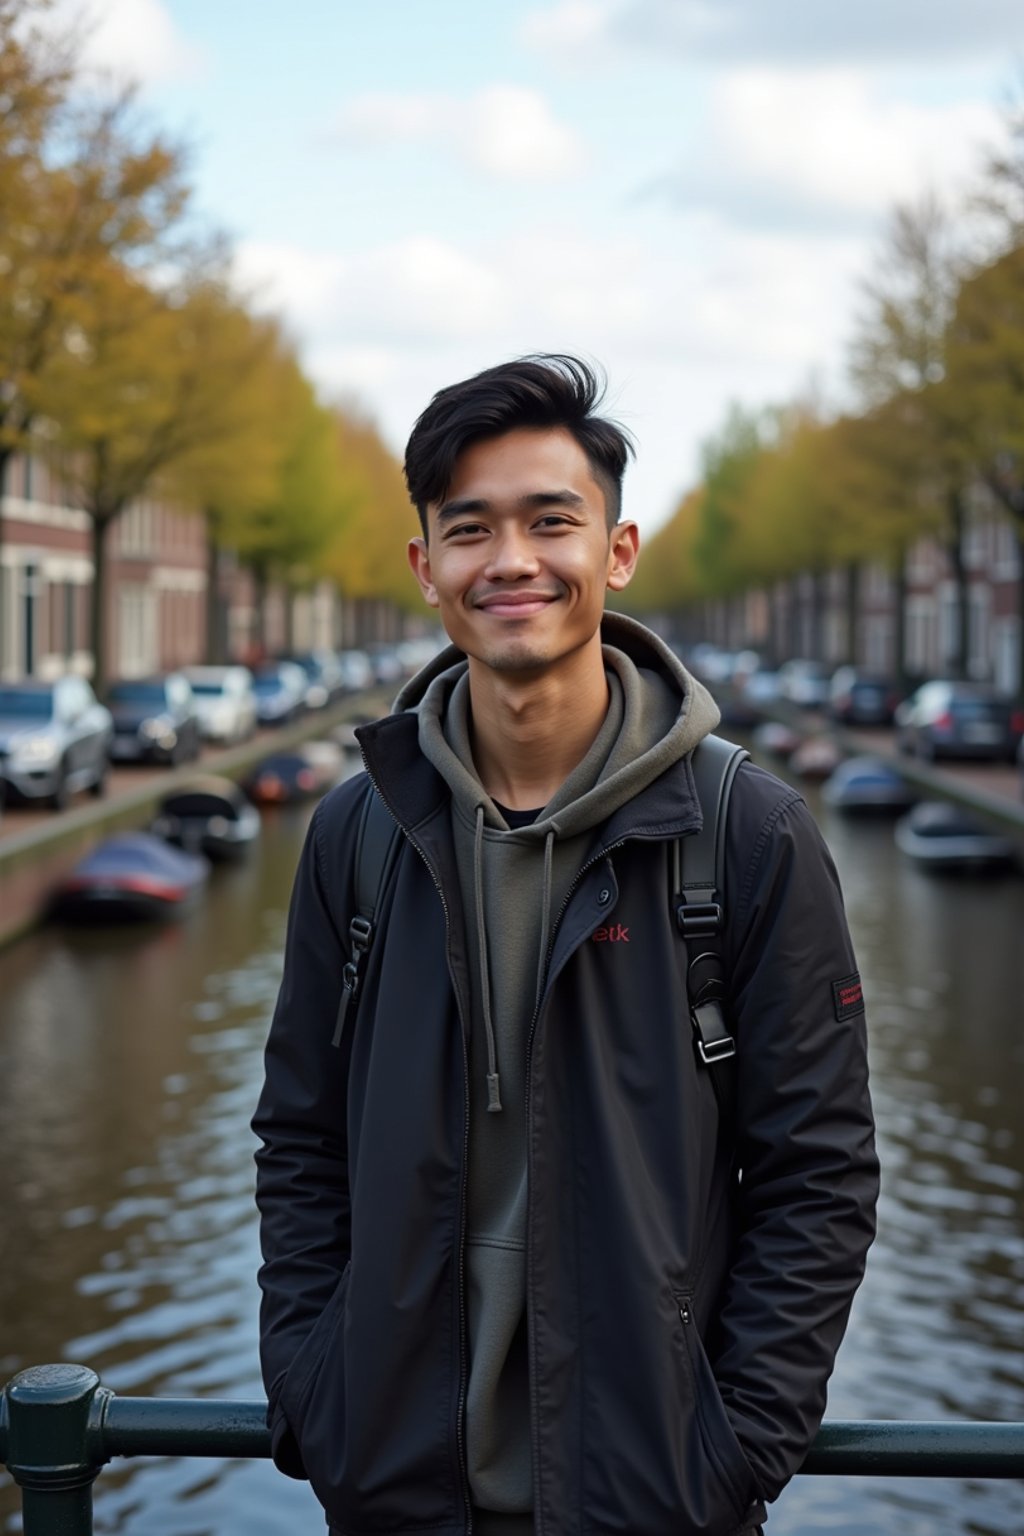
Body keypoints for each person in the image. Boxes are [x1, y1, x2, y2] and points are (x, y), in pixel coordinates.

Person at [252, 354, 879, 1536]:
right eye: (470, 529)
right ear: (425, 566)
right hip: (392, 1495)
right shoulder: (357, 831)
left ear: (618, 550)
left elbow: (819, 1171)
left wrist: (731, 1448)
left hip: (649, 1498)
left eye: (553, 522)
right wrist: (316, 1390)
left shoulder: (745, 833)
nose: (512, 562)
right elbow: (299, 1134)